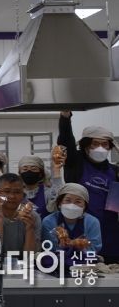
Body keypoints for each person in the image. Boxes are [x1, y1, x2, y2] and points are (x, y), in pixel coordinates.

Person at [58, 111, 119, 263]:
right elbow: (66, 141)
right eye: (95, 144)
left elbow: (115, 205)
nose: (100, 148)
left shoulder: (114, 171)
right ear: (85, 146)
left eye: (104, 144)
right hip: (80, 230)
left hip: (109, 234)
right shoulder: (75, 163)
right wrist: (65, 118)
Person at [41, 183, 102, 269]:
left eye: (78, 201)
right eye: (68, 200)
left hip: (84, 263)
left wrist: (80, 246)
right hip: (56, 263)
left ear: (84, 206)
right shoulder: (49, 221)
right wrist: (62, 246)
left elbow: (94, 247)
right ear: (59, 203)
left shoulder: (92, 222)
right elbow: (49, 248)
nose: (72, 205)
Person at [0, 173, 40, 257]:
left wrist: (29, 229)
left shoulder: (32, 217)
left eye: (17, 192)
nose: (12, 196)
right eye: (7, 191)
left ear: (23, 194)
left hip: (24, 263)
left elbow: (31, 256)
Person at [18, 154, 62, 220]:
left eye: (33, 169)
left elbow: (59, 197)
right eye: (25, 169)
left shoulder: (47, 192)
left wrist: (56, 170)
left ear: (40, 173)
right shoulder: (16, 193)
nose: (29, 171)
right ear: (20, 173)